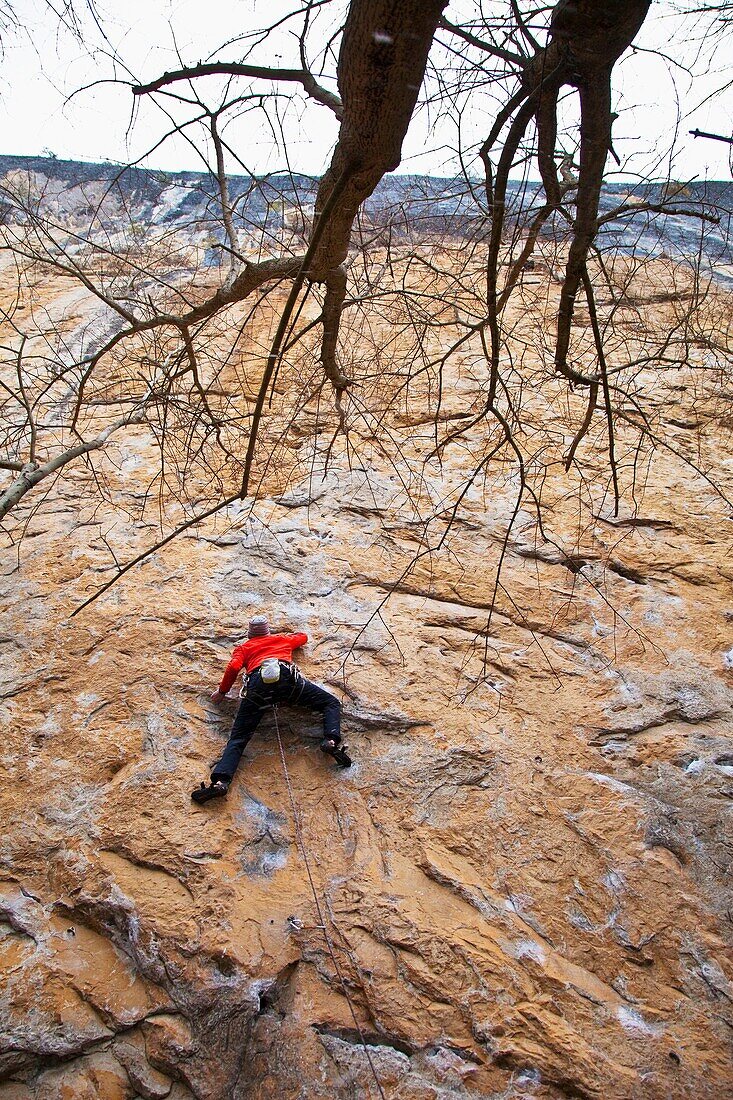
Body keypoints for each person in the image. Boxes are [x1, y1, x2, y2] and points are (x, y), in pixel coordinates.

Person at [191, 615, 349, 804]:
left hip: (258, 688)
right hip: (288, 682)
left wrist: (222, 692)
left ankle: (220, 782)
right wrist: (282, 635)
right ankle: (331, 740)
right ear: (267, 631)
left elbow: (233, 666)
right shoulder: (281, 639)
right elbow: (303, 637)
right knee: (330, 703)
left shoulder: (244, 648)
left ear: (249, 634)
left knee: (239, 738)